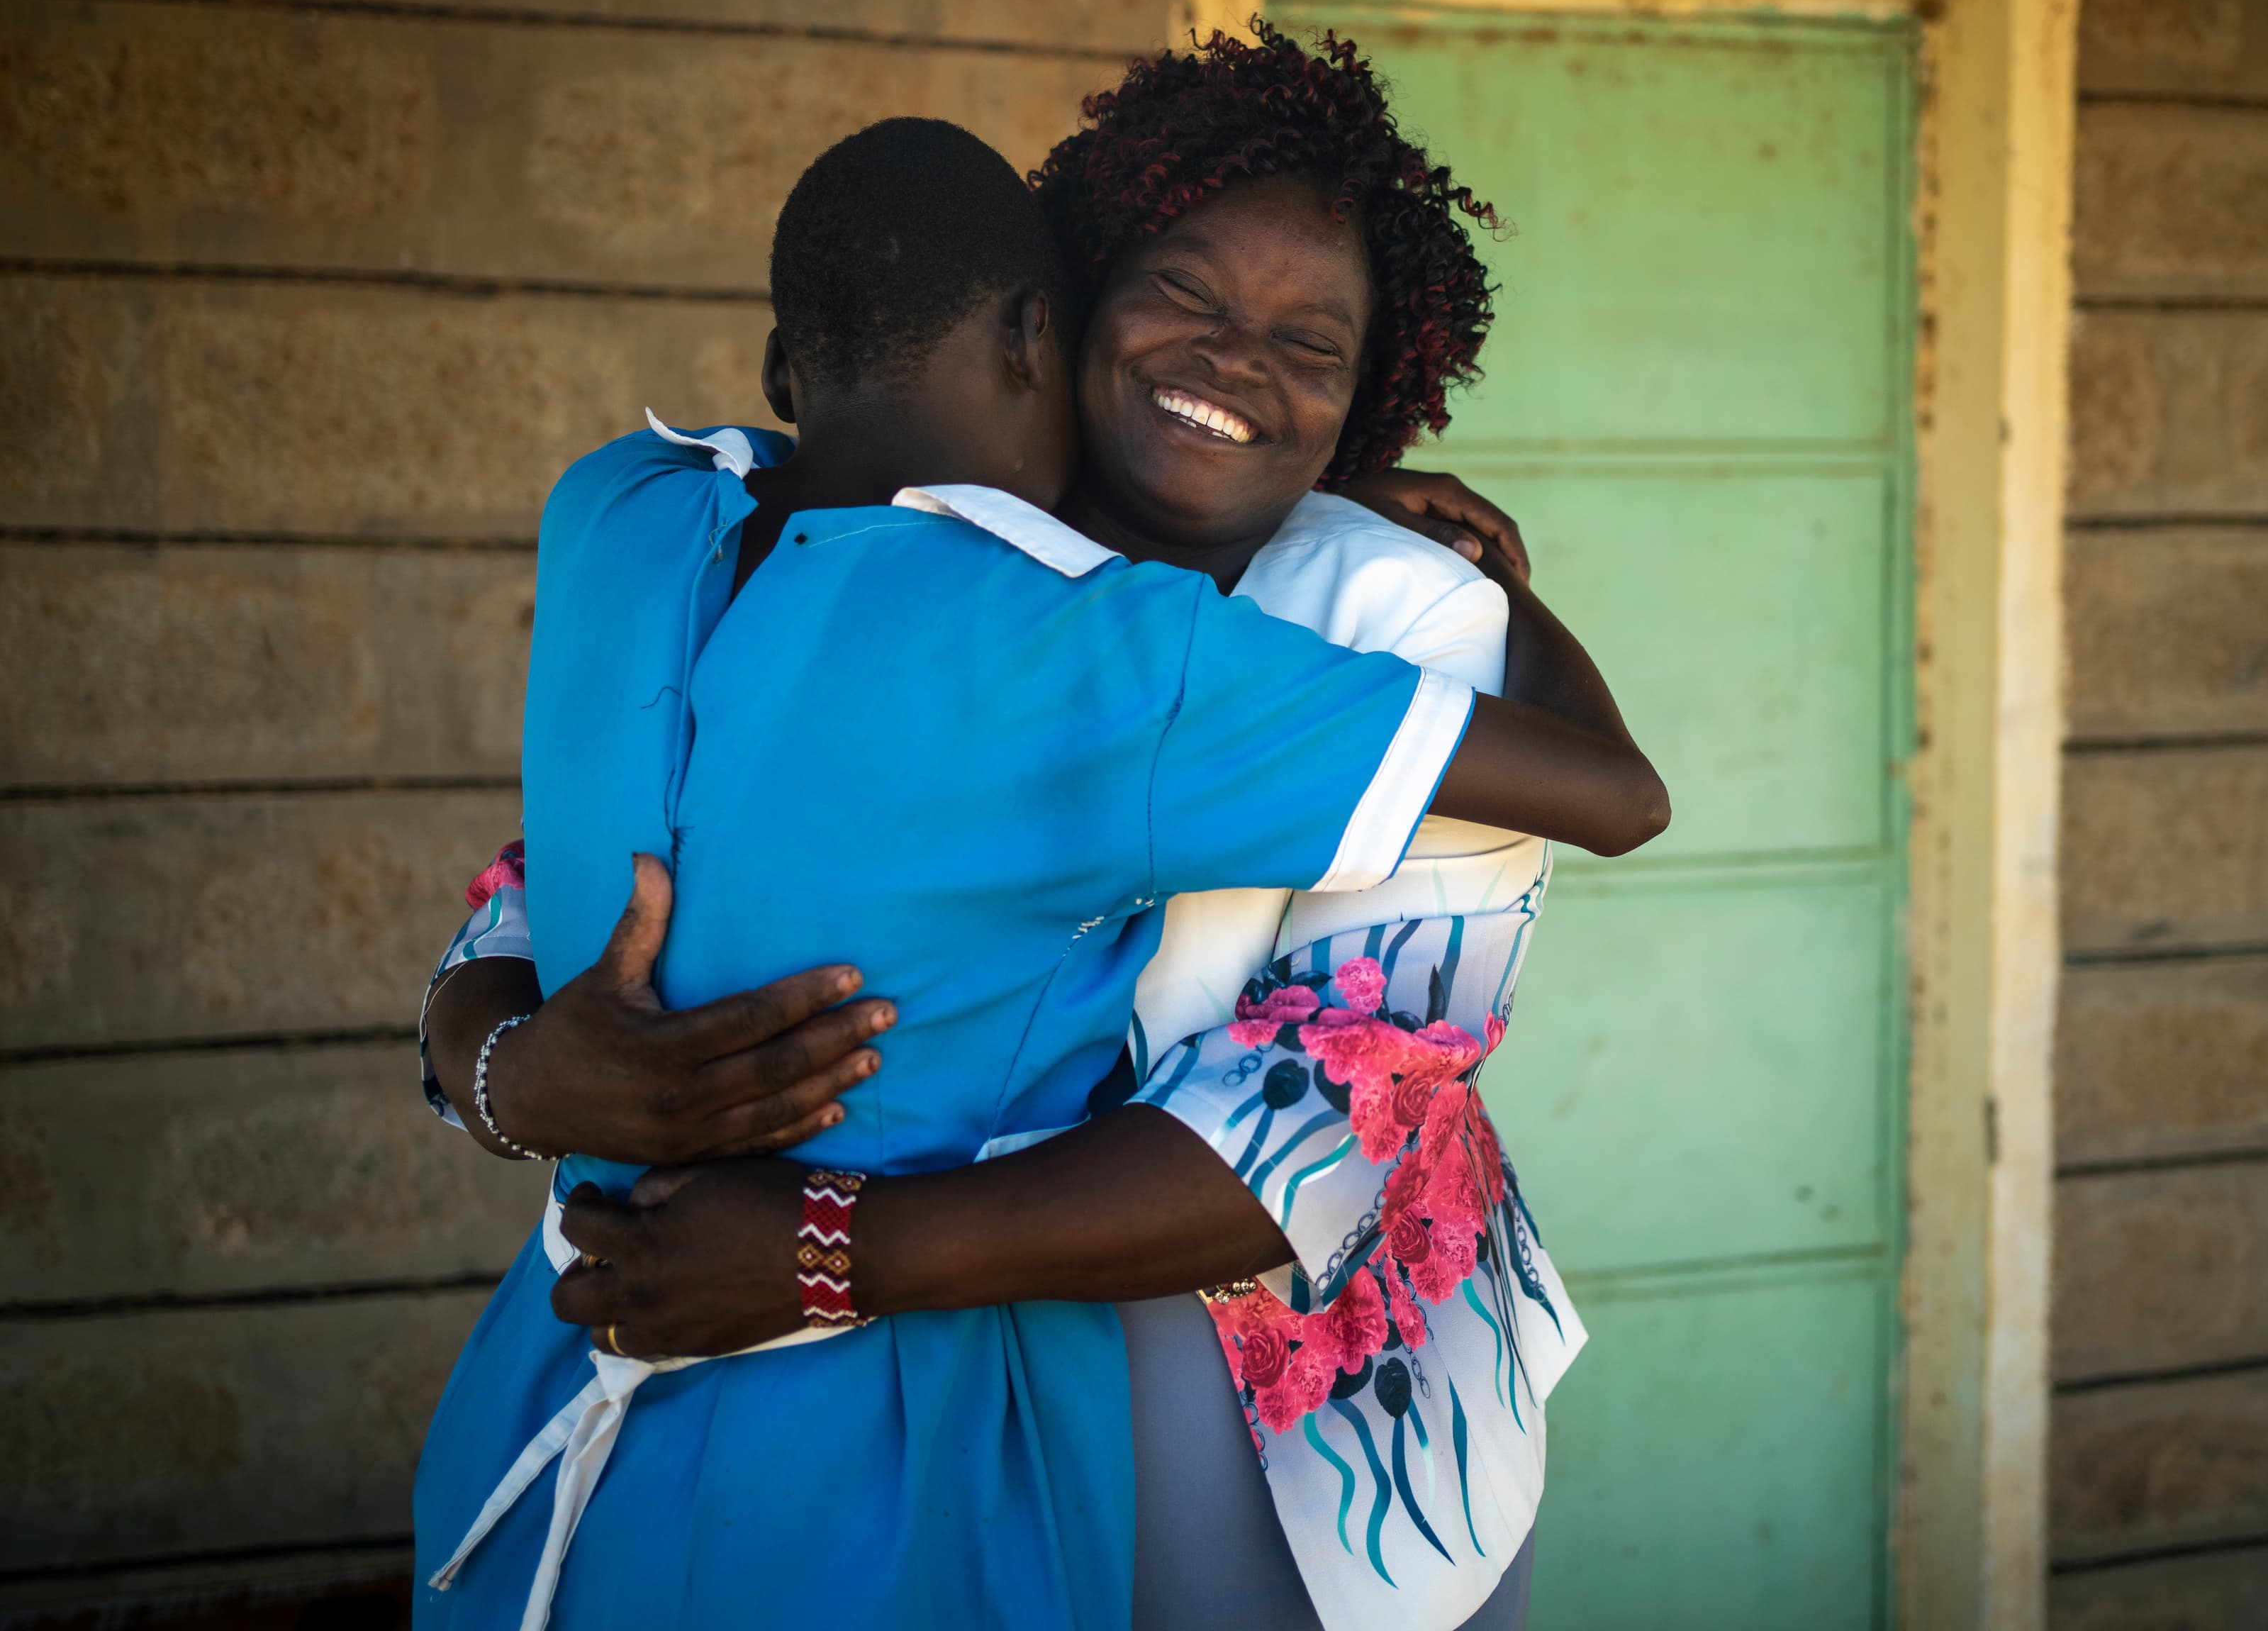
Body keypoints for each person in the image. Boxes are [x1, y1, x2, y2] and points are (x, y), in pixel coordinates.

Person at [412, 91, 1664, 1631]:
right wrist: (517, 1071)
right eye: (1184, 294)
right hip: (920, 1385)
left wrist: (823, 1252)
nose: (1232, 364)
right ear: (1055, 314)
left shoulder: (1398, 622)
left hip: (1300, 1405)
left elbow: (1338, 1108)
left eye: (1309, 349)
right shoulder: (916, 531)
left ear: (1366, 397)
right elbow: (565, 880)